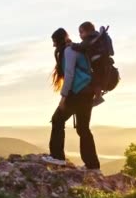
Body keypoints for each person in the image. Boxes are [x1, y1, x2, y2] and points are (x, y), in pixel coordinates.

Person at [42, 28, 101, 171]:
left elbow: (69, 75)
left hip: (77, 93)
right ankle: (93, 166)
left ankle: (57, 157)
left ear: (59, 40)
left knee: (57, 119)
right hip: (87, 92)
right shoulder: (76, 49)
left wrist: (64, 97)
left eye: (54, 42)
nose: (54, 46)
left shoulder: (69, 51)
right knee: (83, 128)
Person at [71, 21, 115, 106]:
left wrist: (71, 45)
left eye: (81, 32)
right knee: (97, 80)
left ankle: (98, 97)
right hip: (103, 62)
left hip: (99, 63)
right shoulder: (98, 37)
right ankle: (98, 95)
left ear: (88, 31)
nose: (80, 35)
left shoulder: (90, 38)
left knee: (96, 80)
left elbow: (81, 47)